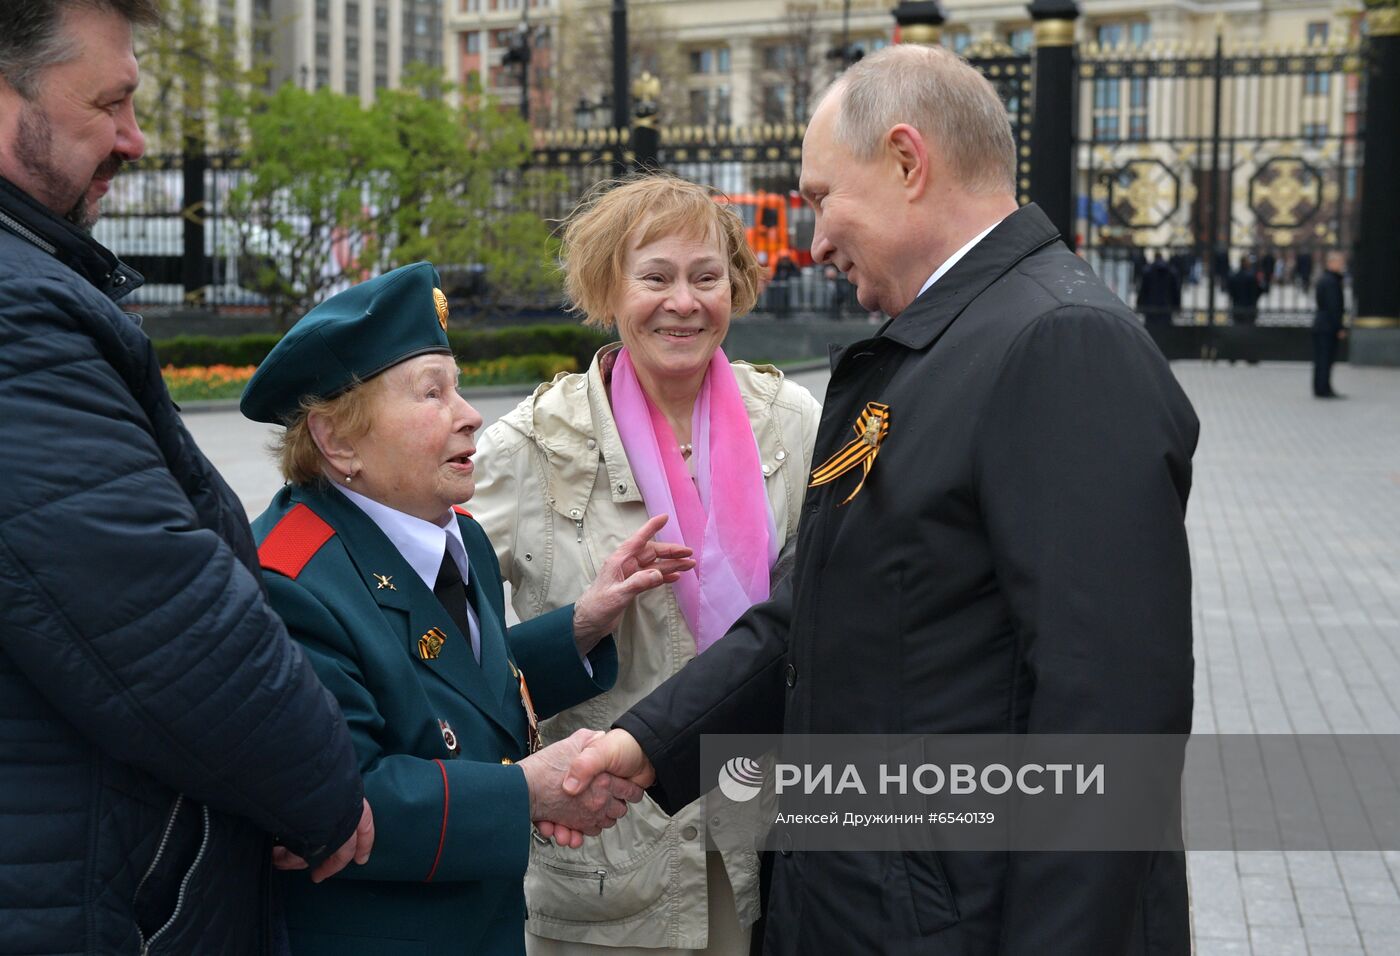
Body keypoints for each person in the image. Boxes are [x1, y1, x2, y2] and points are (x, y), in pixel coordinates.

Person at [560, 45, 1199, 955]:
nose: (813, 240)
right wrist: (642, 744)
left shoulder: (1061, 346)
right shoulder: (932, 352)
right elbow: (807, 620)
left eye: (822, 197)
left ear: (907, 162)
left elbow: (1109, 724)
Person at [0, 3, 371, 953]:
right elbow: (159, 617)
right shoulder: (15, 310)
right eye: (111, 102)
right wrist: (327, 793)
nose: (135, 137)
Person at [241, 261, 692, 955]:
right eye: (431, 394)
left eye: (457, 387)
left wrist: (580, 625)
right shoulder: (289, 579)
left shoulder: (458, 535)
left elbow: (452, 692)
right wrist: (528, 794)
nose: (470, 414)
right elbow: (337, 803)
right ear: (337, 441)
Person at [471, 175, 821, 955]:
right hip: (608, 869)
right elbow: (439, 647)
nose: (685, 302)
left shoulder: (794, 427)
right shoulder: (530, 447)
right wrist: (578, 625)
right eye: (655, 277)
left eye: (707, 277)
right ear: (607, 289)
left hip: (758, 848)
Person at [1312, 250, 1347, 398]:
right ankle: (1323, 389)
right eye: (1340, 262)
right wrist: (1339, 327)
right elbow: (1334, 307)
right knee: (1325, 359)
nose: (1342, 265)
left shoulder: (1326, 279)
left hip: (1322, 324)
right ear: (1331, 263)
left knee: (1322, 359)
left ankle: (1321, 387)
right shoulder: (1331, 281)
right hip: (1327, 326)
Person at [1227, 254, 1263, 364]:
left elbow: (1230, 292)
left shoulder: (1234, 276)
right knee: (1249, 334)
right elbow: (1258, 291)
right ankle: (1250, 357)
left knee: (1236, 332)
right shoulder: (1251, 277)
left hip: (1237, 307)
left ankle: (1233, 356)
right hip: (1249, 308)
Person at [1136, 250, 1181, 327]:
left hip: (1151, 307)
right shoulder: (1171, 271)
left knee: (1151, 331)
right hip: (1166, 307)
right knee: (1166, 331)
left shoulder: (1148, 271)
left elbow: (1143, 291)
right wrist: (1177, 306)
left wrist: (1140, 305)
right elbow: (1175, 291)